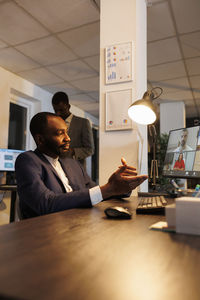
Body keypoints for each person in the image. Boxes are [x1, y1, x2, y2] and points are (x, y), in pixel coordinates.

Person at [15, 112, 148, 219]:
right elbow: (46, 204)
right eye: (60, 133)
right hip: (43, 235)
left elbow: (95, 192)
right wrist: (108, 188)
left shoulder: (72, 164)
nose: (68, 138)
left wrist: (120, 188)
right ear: (40, 139)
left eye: (66, 132)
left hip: (77, 224)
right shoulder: (28, 160)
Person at [52, 91, 94, 168]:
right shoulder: (54, 124)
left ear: (68, 106)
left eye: (61, 110)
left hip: (76, 168)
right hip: (57, 168)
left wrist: (72, 152)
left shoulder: (83, 123)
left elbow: (90, 149)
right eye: (56, 110)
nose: (58, 113)